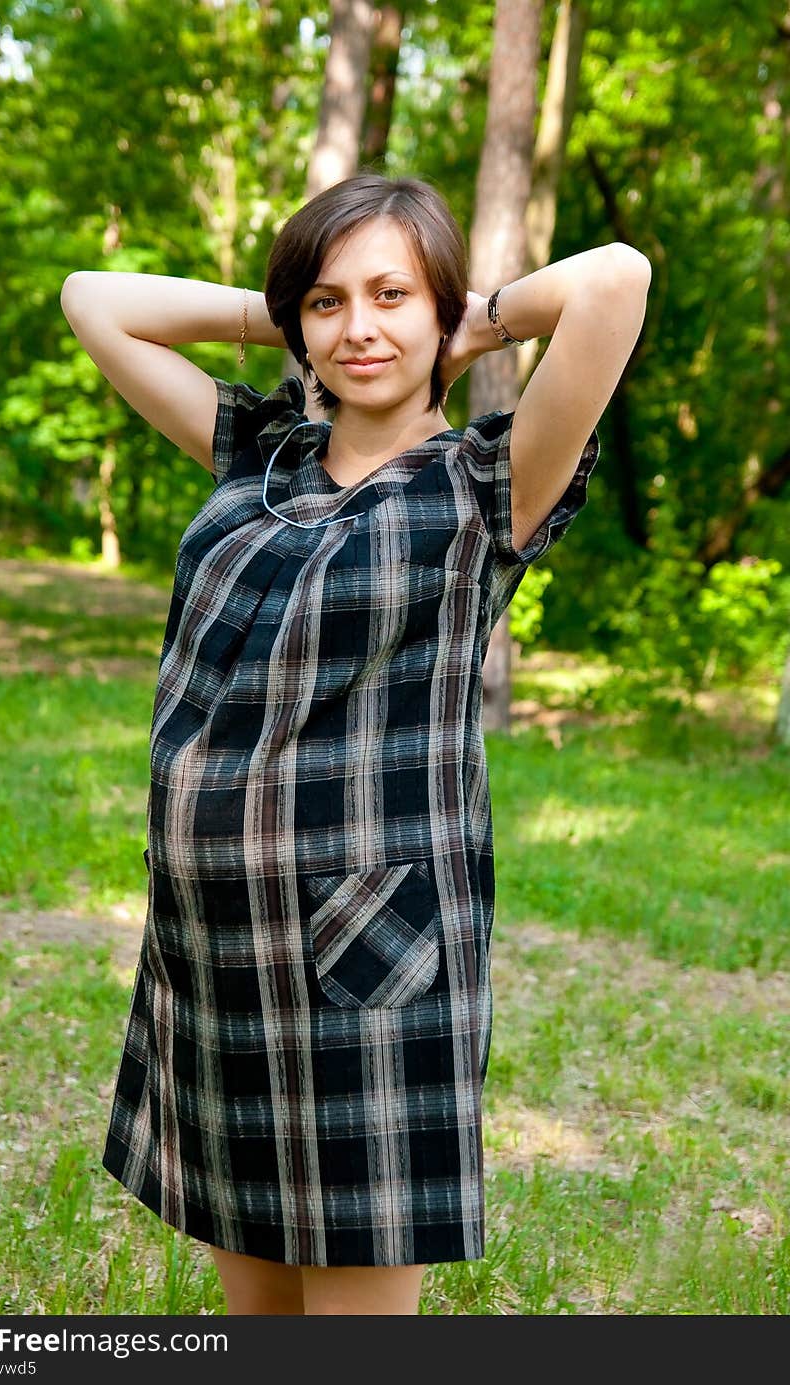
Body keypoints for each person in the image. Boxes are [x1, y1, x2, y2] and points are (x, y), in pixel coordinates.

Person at [60, 173, 650, 1315]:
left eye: (391, 295)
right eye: (326, 303)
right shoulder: (259, 456)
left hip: (367, 966)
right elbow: (96, 299)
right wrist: (281, 314)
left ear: (440, 308)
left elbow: (613, 280)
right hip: (210, 957)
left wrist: (476, 316)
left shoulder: (486, 484)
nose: (359, 326)